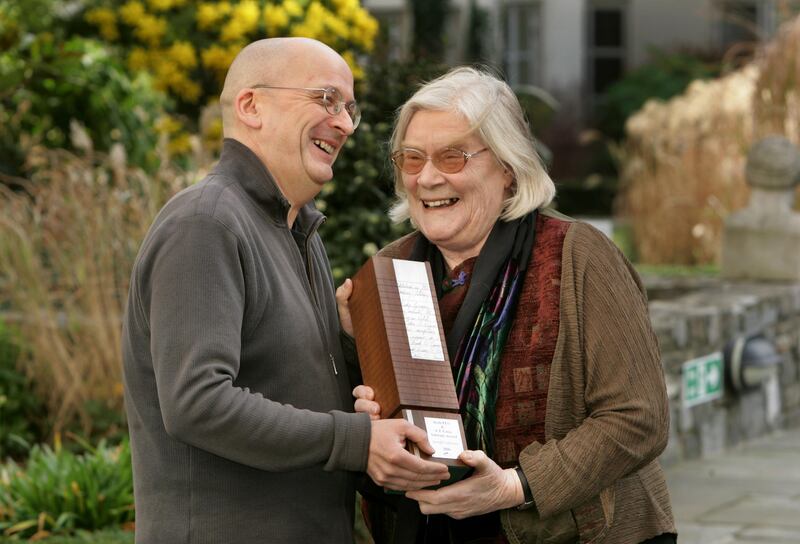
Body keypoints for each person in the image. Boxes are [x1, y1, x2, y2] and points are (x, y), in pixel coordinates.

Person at [122, 38, 449, 544]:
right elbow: (197, 402)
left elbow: (288, 388)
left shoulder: (298, 232)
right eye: (325, 99)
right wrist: (356, 440)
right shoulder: (206, 223)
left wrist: (347, 344)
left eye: (349, 108)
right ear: (251, 107)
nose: (344, 124)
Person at [336, 67, 677, 543]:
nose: (427, 177)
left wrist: (516, 486)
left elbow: (638, 418)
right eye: (411, 159)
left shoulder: (578, 257)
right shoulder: (388, 270)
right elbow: (361, 422)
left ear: (509, 169)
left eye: (452, 157)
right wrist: (355, 352)